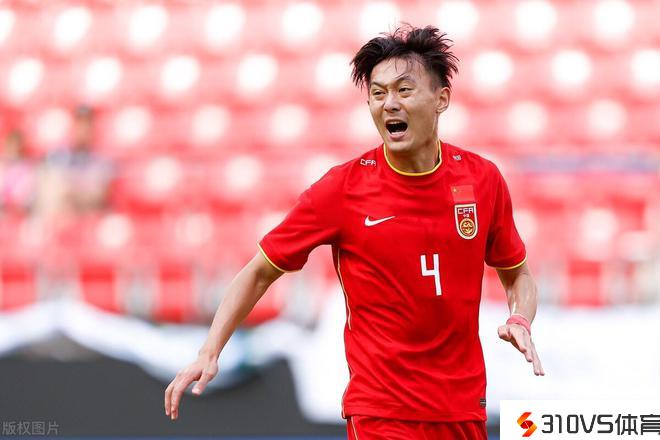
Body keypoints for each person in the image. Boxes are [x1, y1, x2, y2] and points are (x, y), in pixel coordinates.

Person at [164, 25, 544, 438]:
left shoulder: (482, 180)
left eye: (404, 90)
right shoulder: (342, 189)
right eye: (378, 94)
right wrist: (210, 350)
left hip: (462, 410)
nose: (389, 103)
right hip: (382, 412)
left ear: (442, 99)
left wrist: (520, 318)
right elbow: (258, 271)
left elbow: (517, 274)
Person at [35, 105, 113, 218]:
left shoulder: (102, 160)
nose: (83, 130)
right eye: (79, 124)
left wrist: (71, 190)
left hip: (87, 215)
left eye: (87, 125)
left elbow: (99, 195)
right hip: (61, 214)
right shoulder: (58, 156)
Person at [0, 129, 36, 214]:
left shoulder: (27, 168)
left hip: (19, 209)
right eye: (10, 146)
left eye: (15, 146)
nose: (11, 149)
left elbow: (27, 191)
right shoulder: (2, 164)